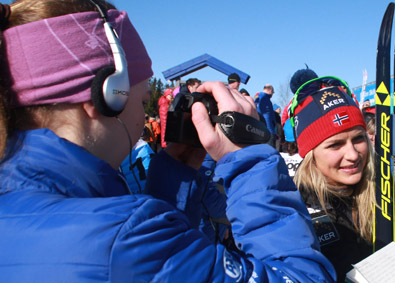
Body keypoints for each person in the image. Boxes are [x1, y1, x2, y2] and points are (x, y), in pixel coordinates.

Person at [0, 1, 334, 282]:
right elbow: (300, 276)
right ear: (106, 96)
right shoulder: (125, 238)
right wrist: (250, 159)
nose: (143, 111)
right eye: (142, 97)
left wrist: (172, 178)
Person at [288, 73, 374, 282]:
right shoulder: (294, 212)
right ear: (311, 154)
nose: (353, 155)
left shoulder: (380, 191)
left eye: (358, 138)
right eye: (335, 144)